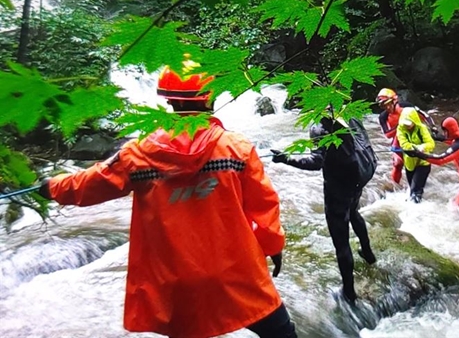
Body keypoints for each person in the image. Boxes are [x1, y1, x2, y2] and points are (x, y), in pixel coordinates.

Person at [38, 62, 297, 338]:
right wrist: (272, 245)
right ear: (211, 96)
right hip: (236, 273)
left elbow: (91, 183)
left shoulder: (137, 154)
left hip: (174, 279)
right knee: (280, 332)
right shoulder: (237, 149)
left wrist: (51, 187)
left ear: (169, 100)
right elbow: (265, 206)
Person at [270, 116, 376, 304]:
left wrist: (285, 158)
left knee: (341, 241)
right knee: (353, 212)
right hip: (358, 175)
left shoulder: (319, 127)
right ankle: (368, 253)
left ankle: (349, 293)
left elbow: (316, 162)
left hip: (338, 186)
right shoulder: (349, 114)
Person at [406, 117, 459, 210]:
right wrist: (440, 138)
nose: (444, 134)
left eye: (445, 131)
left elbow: (440, 160)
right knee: (456, 208)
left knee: (457, 213)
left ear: (450, 130)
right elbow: (453, 141)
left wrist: (419, 154)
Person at [375, 88, 439, 187]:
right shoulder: (383, 117)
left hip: (416, 139)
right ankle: (394, 187)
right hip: (398, 142)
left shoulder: (406, 107)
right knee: (397, 164)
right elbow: (387, 134)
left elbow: (424, 115)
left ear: (394, 100)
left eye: (388, 104)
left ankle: (418, 184)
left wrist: (433, 127)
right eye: (383, 106)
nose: (386, 107)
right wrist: (400, 126)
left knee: (419, 163)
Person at [396, 107, 435, 203]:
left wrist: (422, 147)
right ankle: (415, 206)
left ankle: (415, 209)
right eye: (405, 123)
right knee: (412, 189)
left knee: (416, 191)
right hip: (409, 164)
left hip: (423, 162)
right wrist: (415, 148)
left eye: (409, 123)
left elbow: (431, 144)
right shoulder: (400, 129)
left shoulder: (422, 128)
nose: (407, 126)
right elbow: (404, 144)